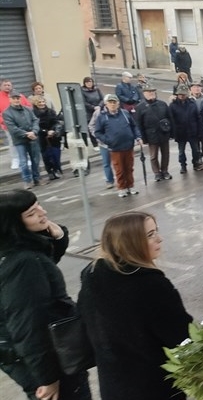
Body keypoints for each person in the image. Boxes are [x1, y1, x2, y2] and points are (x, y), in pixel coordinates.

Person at [78, 211, 192, 400]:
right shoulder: (151, 285)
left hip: (114, 385)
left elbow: (85, 321)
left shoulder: (92, 273)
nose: (159, 239)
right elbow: (183, 338)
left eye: (156, 231)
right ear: (129, 242)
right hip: (153, 386)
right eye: (150, 235)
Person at [0, 189, 92, 400]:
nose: (43, 212)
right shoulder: (23, 263)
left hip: (29, 355)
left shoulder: (15, 249)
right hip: (48, 358)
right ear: (14, 225)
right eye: (32, 213)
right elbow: (28, 325)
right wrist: (47, 378)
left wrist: (57, 237)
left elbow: (44, 269)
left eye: (38, 205)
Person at [94, 94, 143, 197]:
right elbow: (97, 132)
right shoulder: (102, 117)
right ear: (106, 104)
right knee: (119, 169)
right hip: (115, 148)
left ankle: (130, 186)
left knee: (129, 168)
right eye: (110, 102)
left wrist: (138, 137)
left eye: (114, 102)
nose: (112, 104)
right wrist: (108, 140)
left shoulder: (125, 113)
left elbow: (134, 126)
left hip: (128, 146)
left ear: (118, 104)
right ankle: (122, 188)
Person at [134, 85, 174, 182]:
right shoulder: (140, 107)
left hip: (164, 133)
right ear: (144, 94)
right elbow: (138, 124)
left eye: (152, 92)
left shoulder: (162, 104)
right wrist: (142, 138)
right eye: (149, 92)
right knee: (153, 156)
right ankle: (157, 173)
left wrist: (172, 132)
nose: (151, 94)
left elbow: (170, 119)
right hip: (151, 135)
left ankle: (165, 171)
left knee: (165, 154)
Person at [4, 90, 42, 189]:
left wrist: (34, 131)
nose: (16, 100)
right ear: (10, 99)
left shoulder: (27, 109)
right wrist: (27, 134)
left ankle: (37, 179)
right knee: (23, 162)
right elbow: (12, 128)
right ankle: (27, 181)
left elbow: (35, 120)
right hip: (20, 141)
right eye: (14, 98)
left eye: (18, 98)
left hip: (32, 138)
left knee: (35, 160)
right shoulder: (7, 113)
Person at [170, 85, 203, 173]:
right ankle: (183, 166)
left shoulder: (192, 103)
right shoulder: (173, 105)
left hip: (192, 131)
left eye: (183, 94)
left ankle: (196, 163)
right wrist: (173, 133)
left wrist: (199, 130)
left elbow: (197, 117)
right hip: (180, 132)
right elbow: (171, 120)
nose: (181, 96)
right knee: (181, 151)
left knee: (195, 150)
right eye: (180, 94)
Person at [31, 95, 64, 181]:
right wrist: (45, 132)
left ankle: (56, 169)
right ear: (35, 104)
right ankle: (50, 171)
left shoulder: (51, 111)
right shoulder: (33, 113)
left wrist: (53, 131)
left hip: (53, 136)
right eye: (39, 102)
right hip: (42, 137)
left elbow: (56, 122)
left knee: (56, 154)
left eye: (43, 102)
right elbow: (35, 126)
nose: (42, 104)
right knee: (46, 156)